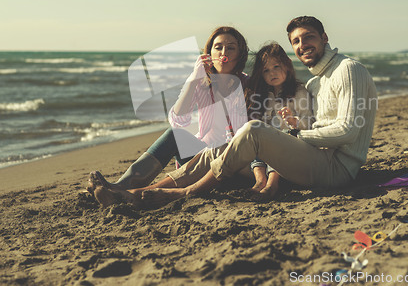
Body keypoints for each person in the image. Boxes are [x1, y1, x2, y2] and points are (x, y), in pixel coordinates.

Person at [93, 16, 378, 208]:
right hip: (235, 155)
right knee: (201, 141)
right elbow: (178, 121)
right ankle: (133, 190)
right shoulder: (316, 80)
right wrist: (195, 80)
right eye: (297, 42)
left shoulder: (347, 69)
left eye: (308, 38)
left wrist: (295, 133)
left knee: (248, 132)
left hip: (332, 168)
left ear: (324, 37)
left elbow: (347, 130)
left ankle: (182, 192)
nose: (302, 46)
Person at [87, 26, 249, 203]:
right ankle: (121, 186)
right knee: (175, 133)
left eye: (231, 47)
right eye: (218, 47)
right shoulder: (201, 83)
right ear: (209, 53)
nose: (223, 52)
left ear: (240, 54)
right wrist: (195, 78)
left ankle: (124, 193)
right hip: (200, 158)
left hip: (232, 163)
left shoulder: (248, 84)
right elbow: (178, 120)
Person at [245, 42, 313, 199]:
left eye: (276, 67)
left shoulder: (298, 92)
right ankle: (260, 181)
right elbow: (263, 121)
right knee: (258, 139)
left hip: (292, 140)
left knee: (282, 135)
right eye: (266, 70)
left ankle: (272, 184)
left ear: (287, 65)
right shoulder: (265, 95)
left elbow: (309, 120)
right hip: (269, 140)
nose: (272, 73)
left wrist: (293, 120)